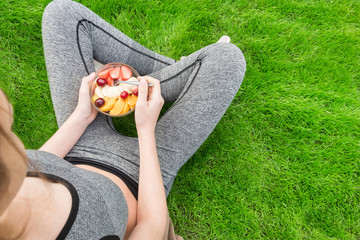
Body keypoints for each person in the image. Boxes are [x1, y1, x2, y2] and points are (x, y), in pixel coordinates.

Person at [0, 0, 246, 239]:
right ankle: (180, 73)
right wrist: (145, 130)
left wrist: (80, 117)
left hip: (79, 143)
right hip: (141, 176)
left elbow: (43, 162)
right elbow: (152, 225)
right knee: (227, 60)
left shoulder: (5, 171)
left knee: (61, 13)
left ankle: (169, 75)